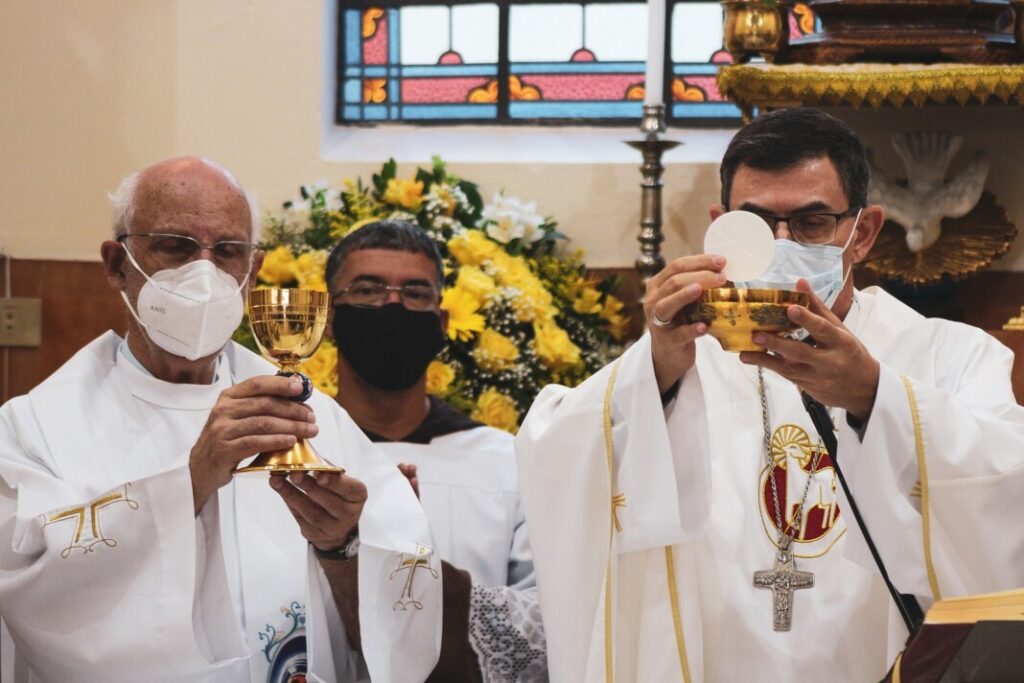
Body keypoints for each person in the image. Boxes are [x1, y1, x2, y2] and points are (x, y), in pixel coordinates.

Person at [515, 109, 1024, 681]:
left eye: (810, 223)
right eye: (755, 224)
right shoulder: (681, 357)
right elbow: (555, 450)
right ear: (720, 227)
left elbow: (1006, 486)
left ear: (863, 233)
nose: (781, 246)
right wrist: (652, 371)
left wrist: (873, 398)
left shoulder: (949, 355)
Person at [0, 158, 441, 682]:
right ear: (117, 263)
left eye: (227, 252)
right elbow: (31, 593)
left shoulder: (313, 415)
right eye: (176, 246)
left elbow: (397, 628)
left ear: (251, 272)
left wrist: (340, 547)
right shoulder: (36, 427)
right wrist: (190, 482)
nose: (204, 272)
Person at [324, 220, 546, 682]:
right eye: (367, 290)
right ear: (327, 318)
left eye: (415, 293)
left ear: (442, 323)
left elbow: (545, 620)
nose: (391, 305)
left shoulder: (508, 462)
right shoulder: (293, 454)